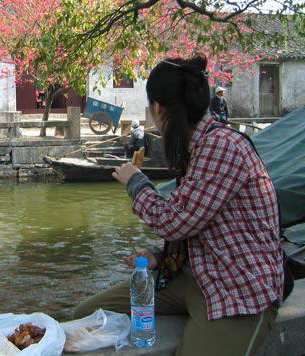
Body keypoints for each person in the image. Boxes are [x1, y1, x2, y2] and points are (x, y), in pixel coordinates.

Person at [74, 55, 283, 356]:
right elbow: (199, 220)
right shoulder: (196, 147)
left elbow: (175, 221)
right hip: (192, 274)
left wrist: (136, 183)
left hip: (236, 286)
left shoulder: (221, 146)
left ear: (158, 108)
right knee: (86, 314)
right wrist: (162, 255)